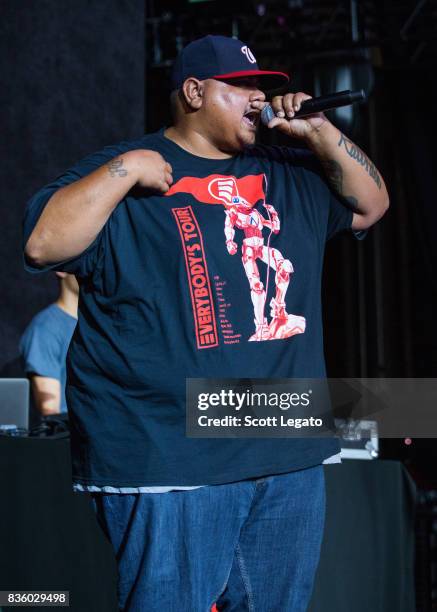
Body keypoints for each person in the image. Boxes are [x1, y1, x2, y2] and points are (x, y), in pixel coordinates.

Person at [22, 35, 389, 611]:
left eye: (262, 90)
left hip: (284, 453)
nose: (256, 100)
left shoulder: (289, 169)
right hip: (172, 459)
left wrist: (321, 132)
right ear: (193, 92)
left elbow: (372, 204)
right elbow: (43, 245)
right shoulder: (128, 170)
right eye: (240, 88)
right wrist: (127, 169)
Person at [19, 272, 78, 416]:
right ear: (63, 269)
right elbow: (50, 411)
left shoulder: (100, 326)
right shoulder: (45, 328)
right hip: (72, 435)